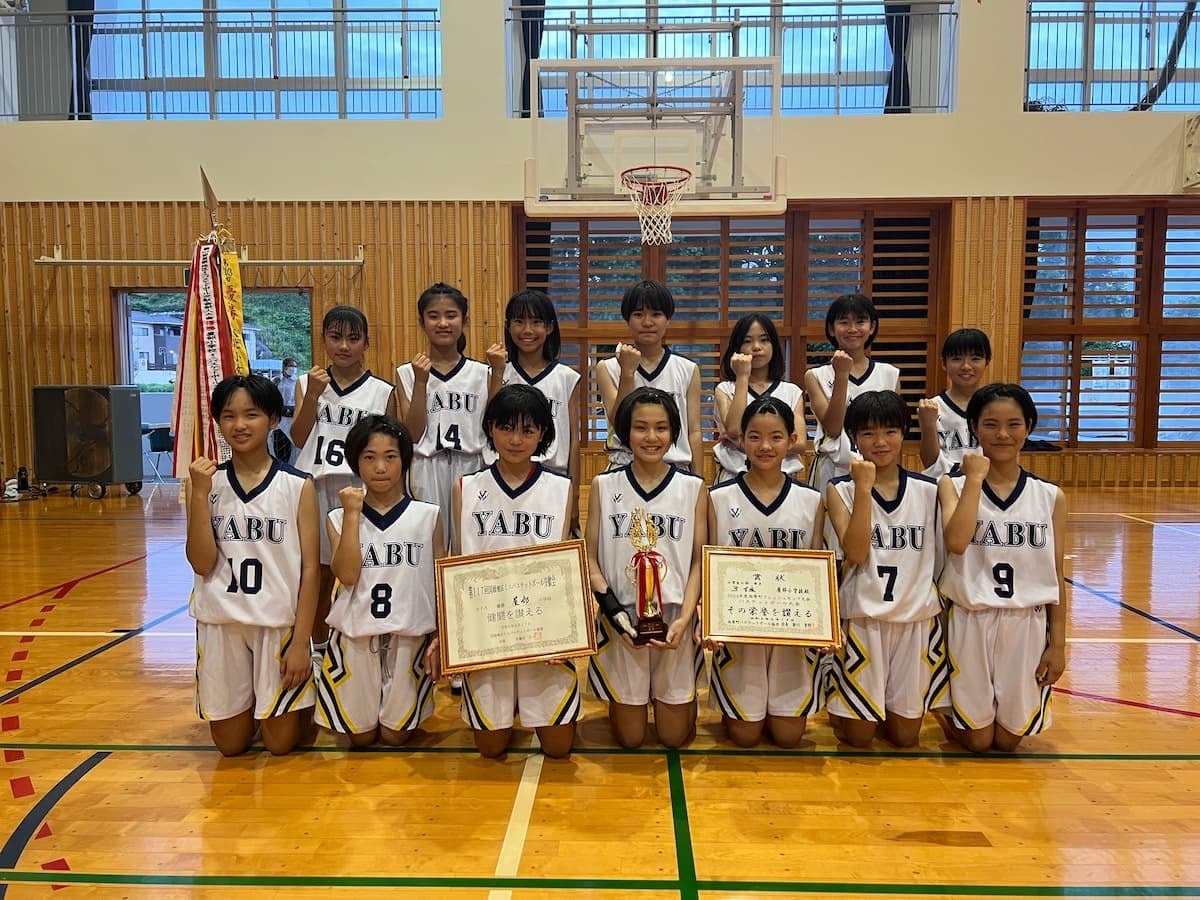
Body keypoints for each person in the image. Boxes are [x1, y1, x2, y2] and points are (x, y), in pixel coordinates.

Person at [185, 374, 318, 756]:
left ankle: (303, 697)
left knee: (280, 745)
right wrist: (199, 495)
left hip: (275, 624)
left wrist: (301, 643)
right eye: (229, 416)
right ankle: (256, 706)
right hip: (220, 622)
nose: (239, 425)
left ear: (273, 419)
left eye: (251, 414)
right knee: (230, 746)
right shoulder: (204, 483)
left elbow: (311, 570)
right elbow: (201, 563)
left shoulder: (298, 485)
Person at [936, 383, 1068, 753]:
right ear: (974, 427)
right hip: (971, 617)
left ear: (1029, 427)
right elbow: (957, 542)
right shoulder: (952, 485)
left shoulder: (1050, 496)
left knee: (1009, 741)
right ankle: (943, 708)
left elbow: (1056, 575)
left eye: (1014, 424)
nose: (1003, 434)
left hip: (1026, 622)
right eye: (991, 424)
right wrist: (975, 479)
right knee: (978, 740)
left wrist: (1058, 645)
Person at [453, 384, 578, 759]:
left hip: (542, 626)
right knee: (490, 749)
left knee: (558, 748)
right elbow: (458, 564)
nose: (516, 440)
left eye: (527, 430)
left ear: (543, 434)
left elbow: (564, 565)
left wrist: (567, 634)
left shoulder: (561, 488)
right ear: (490, 429)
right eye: (506, 428)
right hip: (487, 627)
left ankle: (529, 703)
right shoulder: (466, 487)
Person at [586, 387, 707, 749]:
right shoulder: (603, 485)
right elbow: (589, 559)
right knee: (631, 739)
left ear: (673, 433)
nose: (651, 437)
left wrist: (686, 619)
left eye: (661, 428)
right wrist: (613, 614)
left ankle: (681, 700)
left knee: (673, 738)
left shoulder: (693, 488)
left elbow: (699, 560)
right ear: (625, 432)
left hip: (674, 620)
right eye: (640, 427)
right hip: (622, 620)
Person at [824, 391, 946, 748]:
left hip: (915, 619)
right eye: (868, 433)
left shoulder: (929, 490)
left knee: (905, 737)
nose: (880, 442)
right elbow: (856, 552)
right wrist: (864, 488)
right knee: (859, 738)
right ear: (853, 437)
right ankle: (841, 698)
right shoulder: (840, 490)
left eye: (890, 431)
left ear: (904, 432)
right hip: (863, 618)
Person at [315, 415, 444, 747]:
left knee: (395, 736)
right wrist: (352, 514)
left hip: (409, 636)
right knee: (360, 738)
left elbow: (441, 581)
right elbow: (346, 575)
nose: (381, 467)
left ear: (405, 460)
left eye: (390, 456)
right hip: (355, 636)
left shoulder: (428, 515)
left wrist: (440, 638)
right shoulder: (338, 517)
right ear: (355, 461)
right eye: (369, 457)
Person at [707, 397, 826, 748]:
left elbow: (817, 567)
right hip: (739, 630)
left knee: (789, 737)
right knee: (744, 737)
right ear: (741, 440)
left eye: (776, 437)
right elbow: (709, 562)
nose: (765, 446)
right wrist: (707, 619)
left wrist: (826, 625)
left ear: (792, 440)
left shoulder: (811, 500)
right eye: (755, 436)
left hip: (791, 628)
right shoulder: (718, 497)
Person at [292, 307, 396, 666]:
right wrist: (312, 396)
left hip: (362, 489)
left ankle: (369, 645)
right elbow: (299, 437)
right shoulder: (307, 384)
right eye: (335, 337)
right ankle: (319, 649)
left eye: (353, 338)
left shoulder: (382, 391)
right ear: (323, 340)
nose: (344, 346)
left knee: (367, 572)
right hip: (317, 487)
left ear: (367, 342)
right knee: (318, 574)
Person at [396, 282, 488, 554]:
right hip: (426, 465)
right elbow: (412, 433)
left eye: (451, 315)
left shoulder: (482, 373)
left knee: (469, 549)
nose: (443, 323)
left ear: (464, 320)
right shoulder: (407, 372)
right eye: (433, 316)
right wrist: (421, 382)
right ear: (421, 322)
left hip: (471, 465)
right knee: (428, 549)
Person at [484, 289, 582, 533]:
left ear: (549, 327)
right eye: (519, 321)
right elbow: (490, 425)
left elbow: (573, 440)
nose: (527, 330)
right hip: (507, 475)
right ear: (508, 326)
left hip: (553, 478)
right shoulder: (497, 372)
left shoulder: (566, 377)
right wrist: (497, 372)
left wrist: (575, 493)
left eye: (536, 322)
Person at [595, 280, 702, 472]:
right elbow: (618, 423)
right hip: (624, 467)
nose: (647, 322)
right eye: (638, 314)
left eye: (656, 314)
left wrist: (699, 479)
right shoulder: (607, 367)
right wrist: (627, 373)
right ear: (627, 320)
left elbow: (694, 431)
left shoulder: (688, 368)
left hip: (676, 469)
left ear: (668, 319)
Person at [804, 293, 901, 494]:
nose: (852, 329)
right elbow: (833, 428)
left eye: (860, 321)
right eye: (844, 322)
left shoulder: (890, 374)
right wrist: (841, 375)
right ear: (832, 328)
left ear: (871, 327)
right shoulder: (815, 375)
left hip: (877, 468)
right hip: (832, 470)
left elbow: (895, 431)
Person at [713, 314, 806, 483]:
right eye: (747, 341)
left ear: (774, 345)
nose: (756, 347)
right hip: (733, 480)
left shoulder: (792, 391)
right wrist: (742, 376)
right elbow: (734, 429)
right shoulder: (725, 389)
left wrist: (741, 444)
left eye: (764, 340)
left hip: (782, 480)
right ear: (737, 347)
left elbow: (799, 443)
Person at [918, 328, 993, 477]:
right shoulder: (932, 407)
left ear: (987, 362)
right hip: (942, 486)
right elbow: (930, 463)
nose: (966, 366)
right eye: (957, 359)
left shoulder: (995, 406)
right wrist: (928, 424)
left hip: (986, 486)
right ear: (944, 363)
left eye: (975, 359)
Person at [272, 357, 300, 463]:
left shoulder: (297, 382)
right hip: (280, 418)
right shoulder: (276, 381)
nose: (293, 368)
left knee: (295, 447)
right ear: (284, 367)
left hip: (293, 416)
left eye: (295, 366)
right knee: (280, 447)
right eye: (290, 366)